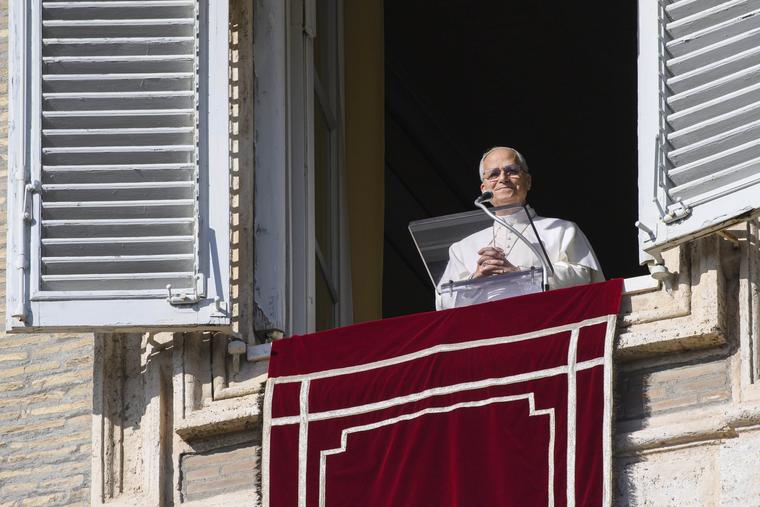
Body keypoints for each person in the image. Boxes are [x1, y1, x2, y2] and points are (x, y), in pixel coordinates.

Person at [436, 147, 604, 310]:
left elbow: (584, 278)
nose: (503, 178)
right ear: (484, 188)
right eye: (493, 174)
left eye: (511, 171)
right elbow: (443, 302)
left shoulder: (561, 230)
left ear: (528, 181)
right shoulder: (462, 248)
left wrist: (520, 274)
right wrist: (475, 280)